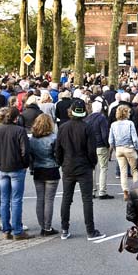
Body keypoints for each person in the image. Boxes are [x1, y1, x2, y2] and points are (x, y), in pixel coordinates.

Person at [55, 98, 105, 241]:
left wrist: (61, 163)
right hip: (84, 166)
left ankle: (64, 229)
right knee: (87, 200)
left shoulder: (63, 127)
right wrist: (92, 163)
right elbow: (91, 150)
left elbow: (58, 149)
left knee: (66, 198)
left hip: (68, 166)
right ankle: (90, 230)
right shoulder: (87, 127)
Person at [0, 106, 32, 239]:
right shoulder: (20, 131)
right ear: (16, 118)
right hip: (16, 167)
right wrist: (25, 164)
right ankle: (17, 230)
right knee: (16, 200)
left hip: (2, 167)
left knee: (4, 200)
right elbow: (25, 151)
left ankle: (6, 229)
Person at [29, 113, 61, 236]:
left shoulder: (32, 139)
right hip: (51, 169)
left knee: (40, 199)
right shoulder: (53, 138)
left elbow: (30, 156)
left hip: (38, 169)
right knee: (49, 200)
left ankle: (42, 225)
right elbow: (57, 155)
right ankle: (47, 227)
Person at [110, 104, 138, 201]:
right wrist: (137, 148)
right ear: (126, 113)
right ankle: (136, 191)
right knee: (134, 170)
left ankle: (125, 192)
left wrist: (115, 148)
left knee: (123, 171)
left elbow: (111, 140)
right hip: (129, 148)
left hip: (119, 149)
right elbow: (134, 138)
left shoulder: (113, 124)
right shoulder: (130, 123)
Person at [84, 100, 113, 200]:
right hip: (101, 145)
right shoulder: (102, 118)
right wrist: (107, 145)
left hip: (91, 146)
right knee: (103, 168)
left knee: (92, 169)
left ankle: (92, 190)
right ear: (101, 109)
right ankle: (102, 191)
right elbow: (104, 134)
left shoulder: (87, 119)